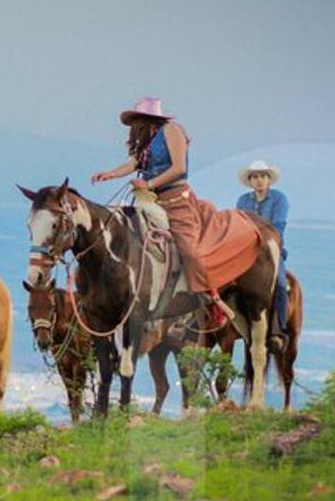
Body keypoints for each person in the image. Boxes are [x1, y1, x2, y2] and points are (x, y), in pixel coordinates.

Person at [90, 97, 259, 326]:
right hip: (150, 201)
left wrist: (148, 184)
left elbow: (179, 168)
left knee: (190, 251)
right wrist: (109, 174)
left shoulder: (172, 130)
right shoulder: (145, 141)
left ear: (146, 119)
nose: (133, 128)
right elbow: (131, 164)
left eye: (135, 121)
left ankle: (210, 296)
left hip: (177, 201)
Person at [237, 159, 290, 351]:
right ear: (250, 181)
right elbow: (237, 224)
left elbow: (278, 227)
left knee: (281, 284)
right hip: (245, 252)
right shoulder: (243, 201)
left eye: (263, 176)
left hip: (271, 252)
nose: (259, 180)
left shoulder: (279, 199)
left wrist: (259, 239)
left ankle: (279, 329)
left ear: (269, 180)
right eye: (255, 177)